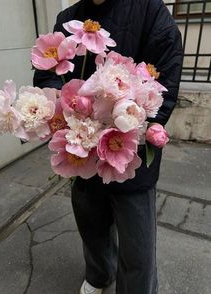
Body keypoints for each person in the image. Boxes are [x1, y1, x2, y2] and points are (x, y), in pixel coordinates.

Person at [33, 0, 183, 293]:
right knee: (91, 222)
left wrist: (137, 125)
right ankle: (100, 274)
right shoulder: (68, 18)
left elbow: (165, 73)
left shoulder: (149, 10)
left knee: (137, 240)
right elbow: (49, 73)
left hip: (130, 149)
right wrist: (52, 101)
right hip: (80, 146)